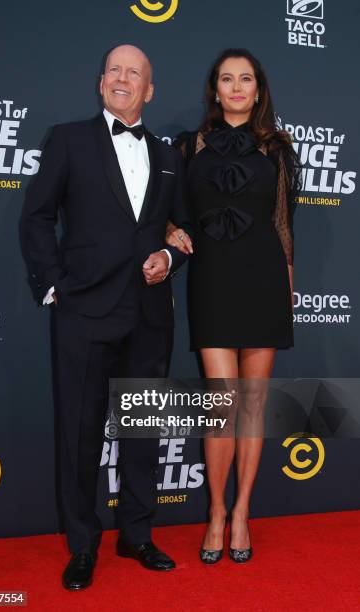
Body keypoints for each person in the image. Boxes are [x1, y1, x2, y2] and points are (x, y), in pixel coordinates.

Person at [20, 44, 192, 590]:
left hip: (148, 316)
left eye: (134, 73)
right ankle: (83, 544)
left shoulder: (168, 155)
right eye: (114, 71)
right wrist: (52, 287)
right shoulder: (68, 139)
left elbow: (183, 230)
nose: (123, 79)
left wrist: (170, 258)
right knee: (79, 434)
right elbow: (37, 217)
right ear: (100, 84)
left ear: (150, 89)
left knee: (142, 431)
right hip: (84, 313)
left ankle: (137, 534)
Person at [167, 48, 301, 564]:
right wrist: (171, 230)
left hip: (264, 278)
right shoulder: (188, 146)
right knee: (221, 405)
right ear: (215, 88)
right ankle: (215, 512)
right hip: (214, 279)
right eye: (228, 79)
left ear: (259, 89)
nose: (237, 87)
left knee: (252, 405)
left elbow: (284, 225)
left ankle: (243, 511)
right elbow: (164, 206)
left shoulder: (277, 149)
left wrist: (288, 282)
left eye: (246, 79)